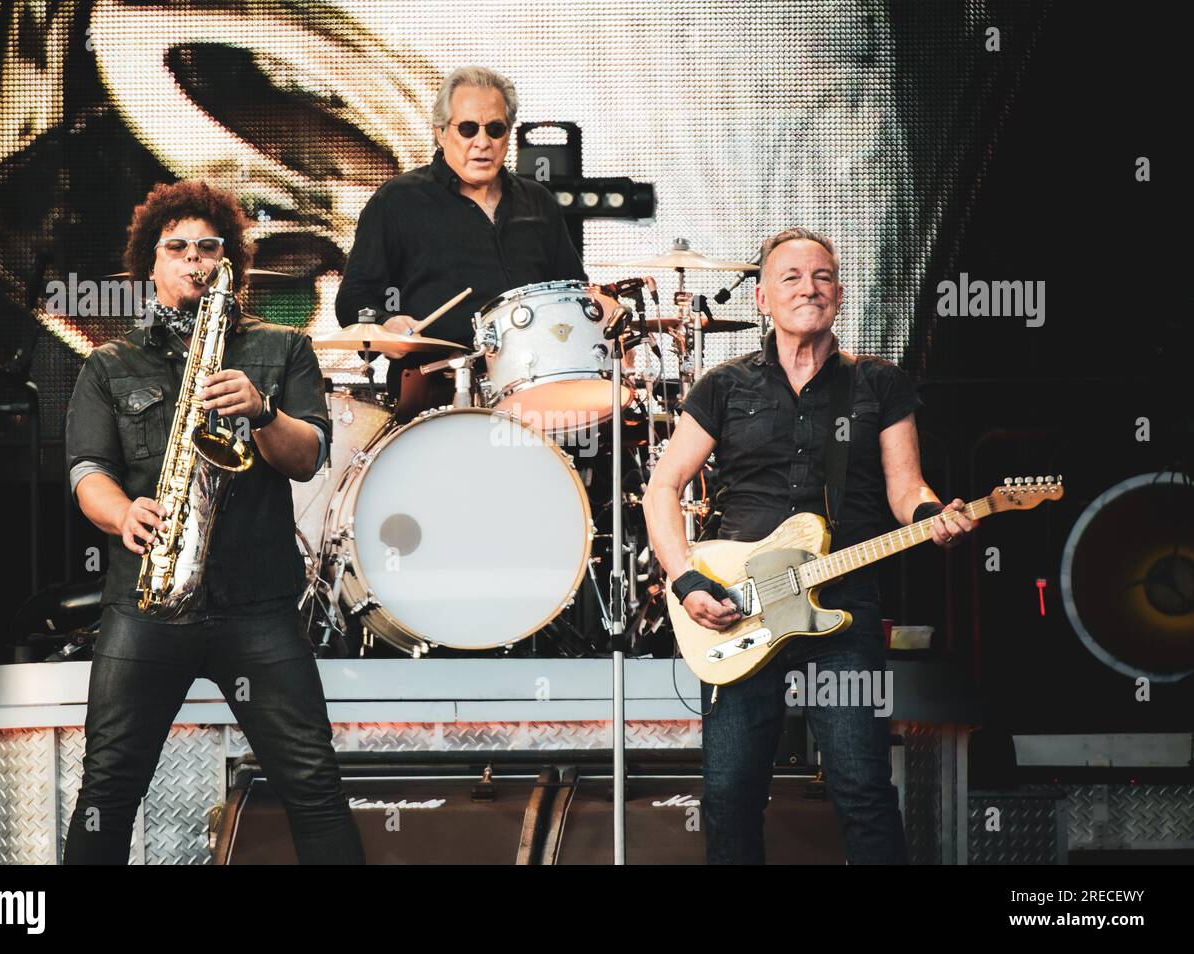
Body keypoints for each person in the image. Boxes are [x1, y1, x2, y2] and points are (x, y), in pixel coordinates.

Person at [643, 227, 977, 864]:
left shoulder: (878, 384)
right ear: (763, 298)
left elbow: (907, 487)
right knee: (730, 794)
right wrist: (687, 582)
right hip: (740, 603)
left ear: (841, 296)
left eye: (822, 277)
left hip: (844, 598)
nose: (809, 288)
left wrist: (933, 514)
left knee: (862, 788)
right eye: (791, 277)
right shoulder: (724, 385)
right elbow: (665, 487)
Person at [63, 179, 363, 864]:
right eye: (177, 249)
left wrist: (262, 412)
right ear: (150, 265)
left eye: (207, 247)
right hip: (148, 602)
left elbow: (310, 457)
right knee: (107, 791)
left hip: (255, 603)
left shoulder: (281, 350)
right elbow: (87, 472)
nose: (194, 260)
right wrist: (122, 513)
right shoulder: (110, 365)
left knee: (314, 786)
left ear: (230, 263)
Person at [335, 66, 585, 416]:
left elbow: (572, 294)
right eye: (468, 128)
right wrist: (386, 324)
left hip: (535, 394)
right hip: (435, 395)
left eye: (495, 129)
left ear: (508, 134)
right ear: (440, 132)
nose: (482, 142)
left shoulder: (538, 202)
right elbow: (353, 299)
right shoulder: (396, 202)